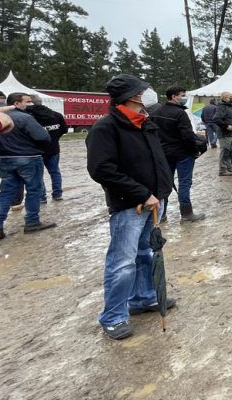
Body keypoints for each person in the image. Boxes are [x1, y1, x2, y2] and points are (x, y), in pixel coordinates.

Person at [86, 74, 176, 340]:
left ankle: (143, 297)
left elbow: (156, 159)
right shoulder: (106, 128)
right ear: (134, 96)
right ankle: (113, 316)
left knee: (145, 255)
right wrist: (141, 193)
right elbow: (101, 169)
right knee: (122, 263)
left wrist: (160, 190)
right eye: (144, 90)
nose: (149, 93)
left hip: (151, 200)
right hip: (129, 205)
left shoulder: (145, 123)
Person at [0, 93, 55, 241]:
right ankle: (32, 221)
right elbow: (43, 137)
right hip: (29, 158)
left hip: (5, 158)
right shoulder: (25, 118)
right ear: (16, 104)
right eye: (27, 102)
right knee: (33, 190)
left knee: (5, 193)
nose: (30, 105)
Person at [150, 86, 207, 223]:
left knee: (164, 183)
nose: (184, 97)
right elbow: (187, 136)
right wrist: (195, 150)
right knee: (184, 183)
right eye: (182, 95)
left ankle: (161, 214)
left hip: (164, 154)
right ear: (174, 97)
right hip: (182, 154)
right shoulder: (180, 114)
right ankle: (186, 213)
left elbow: (151, 133)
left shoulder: (156, 112)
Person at [24, 95, 68, 204]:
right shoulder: (56, 115)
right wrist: (54, 138)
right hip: (53, 148)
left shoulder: (28, 117)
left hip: (35, 150)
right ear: (41, 102)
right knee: (55, 172)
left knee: (38, 175)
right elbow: (64, 130)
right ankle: (57, 194)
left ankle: (42, 197)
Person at [214, 92, 232, 176]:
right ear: (224, 98)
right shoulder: (222, 107)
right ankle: (222, 170)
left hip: (231, 133)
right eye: (229, 97)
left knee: (229, 151)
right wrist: (226, 126)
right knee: (224, 151)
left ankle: (229, 167)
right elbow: (216, 119)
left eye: (231, 97)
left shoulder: (229, 106)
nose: (231, 99)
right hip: (225, 133)